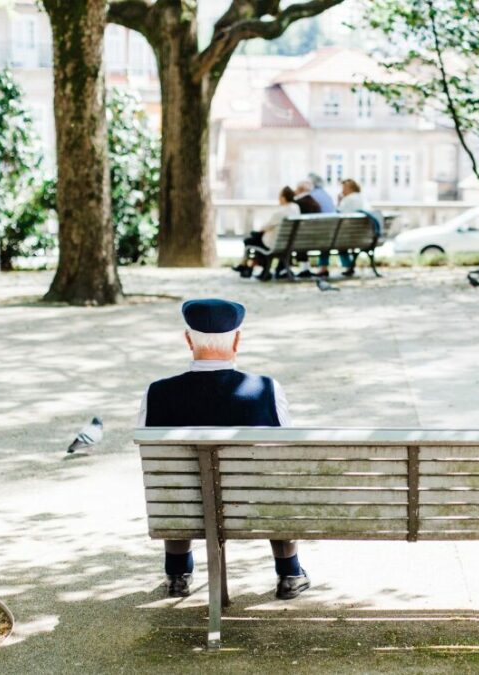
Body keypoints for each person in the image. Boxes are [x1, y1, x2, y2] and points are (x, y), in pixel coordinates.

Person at [137, 299, 310, 600]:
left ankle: (177, 574)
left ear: (189, 340)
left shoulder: (157, 393)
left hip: (186, 509)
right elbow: (285, 449)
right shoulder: (266, 389)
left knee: (175, 482)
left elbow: (153, 456)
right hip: (254, 508)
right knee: (276, 478)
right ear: (238, 340)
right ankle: (289, 572)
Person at [234, 186, 299, 281]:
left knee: (251, 240)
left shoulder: (280, 213)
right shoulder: (296, 208)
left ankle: (246, 266)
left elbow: (265, 227)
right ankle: (247, 266)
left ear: (283, 198)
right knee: (254, 239)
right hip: (289, 243)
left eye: (279, 196)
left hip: (275, 244)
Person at [316, 178, 368, 278]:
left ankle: (323, 268)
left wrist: (340, 201)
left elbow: (338, 214)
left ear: (350, 188)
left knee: (326, 241)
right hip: (359, 236)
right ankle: (348, 266)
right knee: (340, 241)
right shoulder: (362, 198)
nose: (342, 190)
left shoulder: (348, 199)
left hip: (346, 235)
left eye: (344, 188)